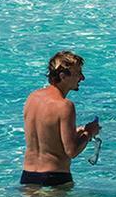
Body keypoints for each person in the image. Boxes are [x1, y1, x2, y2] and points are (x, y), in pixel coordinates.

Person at [21, 50, 100, 187]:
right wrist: (89, 132)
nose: (82, 78)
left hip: (28, 176)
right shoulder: (65, 106)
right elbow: (71, 151)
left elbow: (45, 136)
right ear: (63, 76)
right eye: (78, 73)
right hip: (54, 178)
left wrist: (76, 132)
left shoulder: (32, 98)